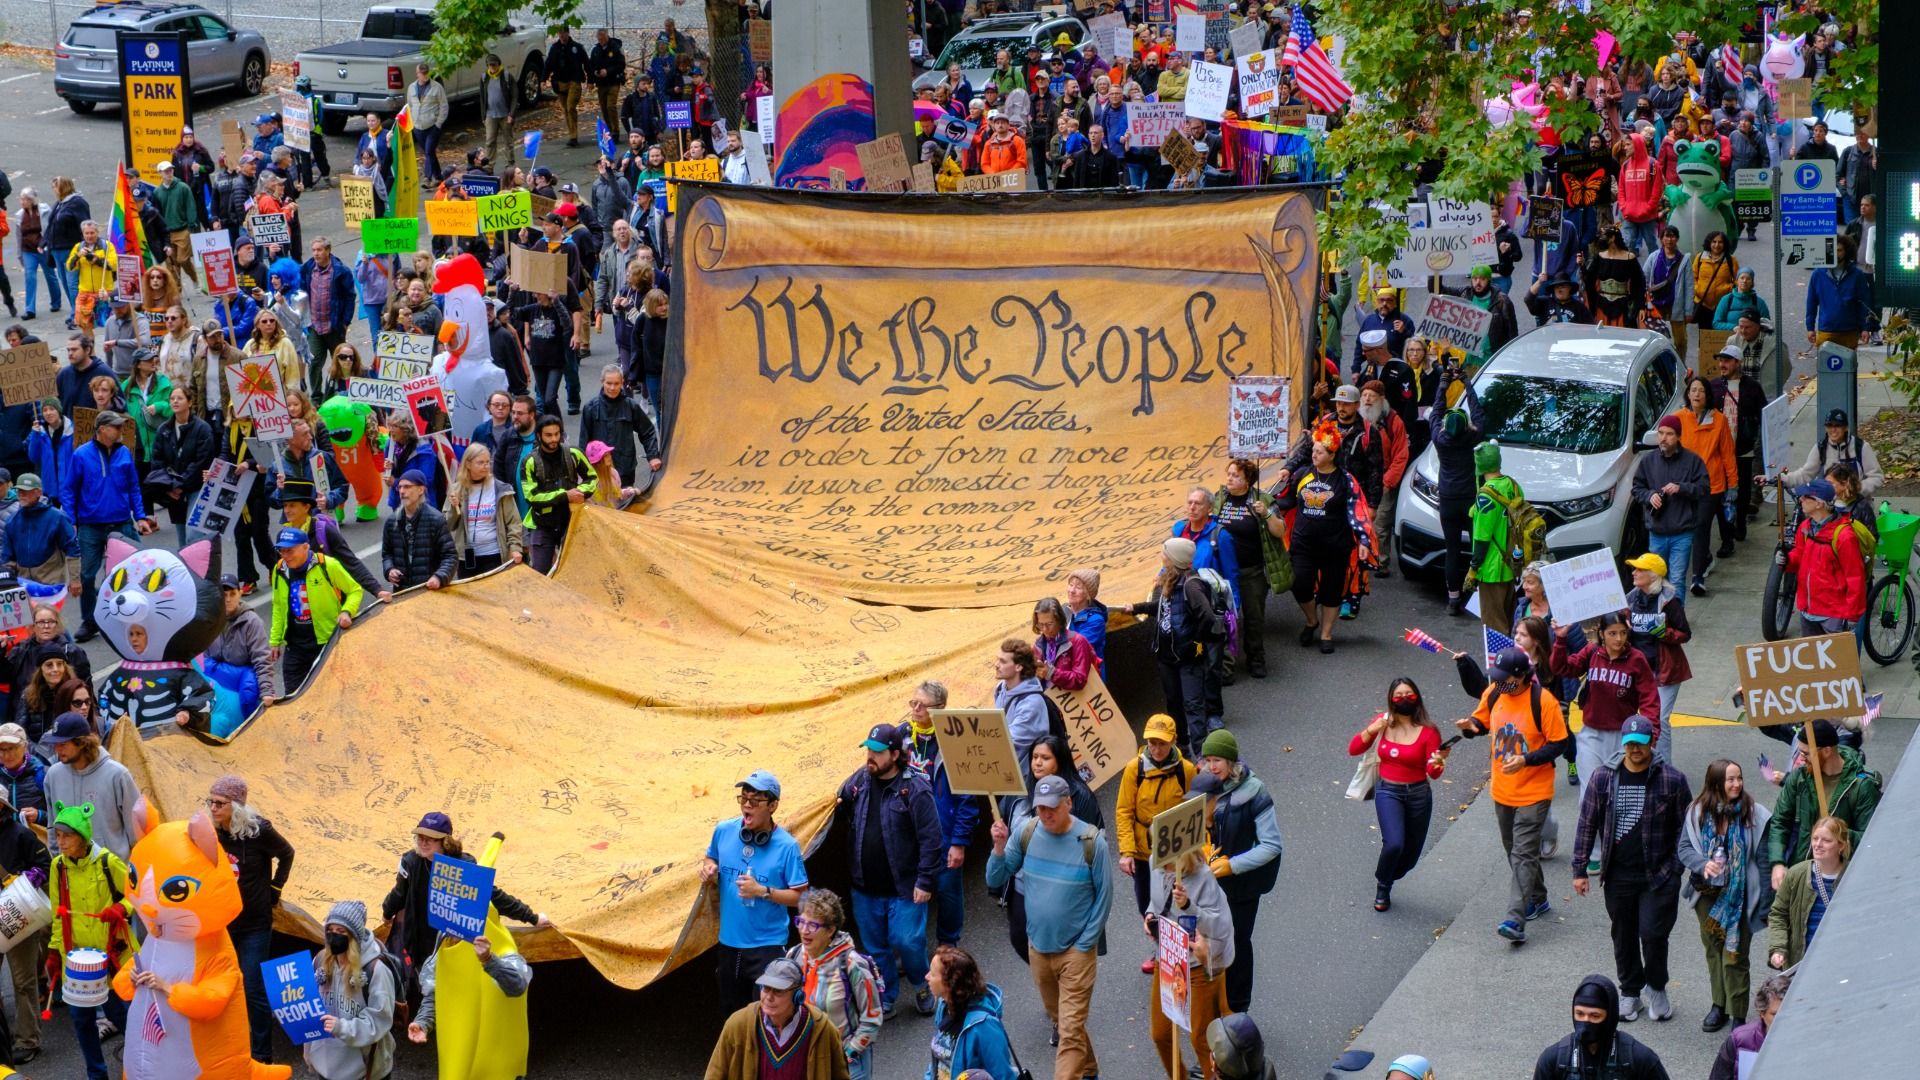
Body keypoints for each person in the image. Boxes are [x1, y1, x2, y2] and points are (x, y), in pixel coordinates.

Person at [986, 773, 1111, 1080]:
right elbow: (994, 878)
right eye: (1040, 807)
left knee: (1068, 1032)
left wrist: (1085, 945)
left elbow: (1105, 898)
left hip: (1076, 953)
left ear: (1068, 802)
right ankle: (1090, 1071)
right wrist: (999, 848)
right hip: (1039, 948)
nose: (1046, 814)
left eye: (1052, 807)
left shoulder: (1091, 842)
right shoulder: (1027, 832)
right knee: (1065, 1020)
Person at [1570, 716, 1692, 1023]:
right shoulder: (1603, 778)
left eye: (1640, 743)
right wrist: (1580, 869)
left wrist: (1677, 867)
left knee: (1653, 934)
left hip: (1659, 875)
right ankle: (1630, 992)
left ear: (1652, 742)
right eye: (1629, 744)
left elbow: (1688, 826)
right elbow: (1588, 822)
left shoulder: (1672, 780)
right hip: (1618, 875)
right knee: (1622, 935)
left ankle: (1657, 988)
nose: (1635, 749)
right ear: (1623, 744)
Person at [1457, 648, 1571, 945]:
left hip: (1534, 791)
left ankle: (1515, 920)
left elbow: (1559, 743)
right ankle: (1539, 897)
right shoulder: (1495, 692)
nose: (1497, 682)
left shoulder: (1543, 702)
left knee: (1522, 853)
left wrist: (1526, 760)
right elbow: (1481, 725)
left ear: (1521, 677)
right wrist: (1469, 729)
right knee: (1515, 851)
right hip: (1502, 790)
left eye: (1504, 678)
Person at [380, 810, 547, 1010]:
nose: (423, 843)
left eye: (430, 839)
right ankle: (430, 1019)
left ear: (445, 841)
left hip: (454, 939)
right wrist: (387, 911)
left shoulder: (464, 865)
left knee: (455, 987)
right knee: (427, 984)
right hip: (421, 937)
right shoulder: (411, 861)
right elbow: (399, 892)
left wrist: (532, 917)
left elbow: (493, 896)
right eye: (420, 837)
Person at [838, 721, 942, 1018]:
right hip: (865, 888)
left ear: (895, 754)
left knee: (907, 942)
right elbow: (842, 800)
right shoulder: (860, 780)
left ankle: (924, 985)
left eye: (877, 752)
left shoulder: (915, 790)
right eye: (868, 750)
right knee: (874, 948)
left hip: (905, 888)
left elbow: (931, 839)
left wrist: (925, 881)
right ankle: (886, 994)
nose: (870, 757)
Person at [1187, 730, 1281, 1015]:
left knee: (1237, 942)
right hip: (1209, 884)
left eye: (1219, 760)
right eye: (1208, 760)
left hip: (1242, 887)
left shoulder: (1255, 792)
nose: (1212, 767)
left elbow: (1272, 845)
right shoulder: (1201, 787)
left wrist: (1233, 865)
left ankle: (1238, 1009)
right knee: (1209, 941)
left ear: (1232, 762)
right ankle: (1214, 1004)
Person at [204, 775, 296, 1064]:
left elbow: (287, 853)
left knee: (253, 988)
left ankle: (261, 1055)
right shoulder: (215, 832)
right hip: (224, 922)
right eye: (211, 802)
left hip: (255, 924)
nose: (213, 808)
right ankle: (227, 1045)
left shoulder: (260, 831)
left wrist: (275, 889)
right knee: (224, 985)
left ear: (237, 807)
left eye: (220, 803)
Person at [1677, 758, 1771, 1034]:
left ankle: (1738, 1016)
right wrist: (1701, 864)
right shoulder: (1696, 813)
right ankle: (1718, 1004)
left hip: (1741, 894)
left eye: (1739, 778)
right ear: (1716, 783)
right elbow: (1684, 848)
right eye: (1730, 779)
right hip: (1707, 895)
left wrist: (1766, 901)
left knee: (1735, 955)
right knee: (1714, 950)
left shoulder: (1755, 814)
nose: (1736, 784)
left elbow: (1764, 860)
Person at [702, 770, 810, 1009]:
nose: (747, 805)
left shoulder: (787, 846)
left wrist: (762, 891)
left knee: (768, 1013)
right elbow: (710, 858)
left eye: (755, 800)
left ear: (772, 805)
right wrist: (709, 868)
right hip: (729, 943)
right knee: (733, 1014)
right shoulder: (723, 831)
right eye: (744, 798)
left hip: (767, 945)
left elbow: (802, 898)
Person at [47, 800, 134, 1080]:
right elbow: (58, 914)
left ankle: (139, 1068)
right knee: (81, 1020)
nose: (59, 842)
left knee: (122, 1016)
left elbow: (138, 896)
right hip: (77, 962)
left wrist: (121, 908)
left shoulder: (109, 862)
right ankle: (96, 1074)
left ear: (82, 837)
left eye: (66, 836)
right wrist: (54, 951)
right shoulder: (58, 867)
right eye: (57, 835)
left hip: (111, 958)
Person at [1350, 679, 1449, 912]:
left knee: (1410, 856)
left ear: (1417, 698)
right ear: (1391, 700)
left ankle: (1391, 874)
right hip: (1389, 791)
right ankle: (1383, 885)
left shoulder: (1429, 731)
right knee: (1394, 843)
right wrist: (1372, 729)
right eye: (1399, 695)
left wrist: (1440, 758)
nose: (1404, 698)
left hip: (1418, 794)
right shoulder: (1382, 724)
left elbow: (1433, 773)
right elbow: (1354, 749)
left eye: (1409, 694)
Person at [1275, 420, 1372, 655]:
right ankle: (1311, 620)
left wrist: (1364, 541)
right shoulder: (1302, 474)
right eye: (1313, 450)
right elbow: (1286, 501)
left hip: (1335, 547)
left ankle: (1326, 633)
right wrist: (1268, 506)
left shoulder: (1346, 480)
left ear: (1331, 454)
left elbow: (1357, 512)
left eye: (1319, 451)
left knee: (1332, 591)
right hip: (1303, 543)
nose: (1314, 454)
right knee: (1299, 584)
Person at [61, 410, 155, 642]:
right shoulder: (81, 455)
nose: (121, 430)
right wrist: (71, 520)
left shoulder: (124, 453)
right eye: (116, 426)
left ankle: (133, 614)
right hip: (91, 525)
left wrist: (141, 516)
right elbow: (69, 489)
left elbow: (134, 487)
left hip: (122, 523)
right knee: (87, 574)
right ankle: (90, 621)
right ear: (102, 429)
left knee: (132, 571)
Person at [1147, 830, 1233, 1079]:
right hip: (1168, 958)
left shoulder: (1203, 877)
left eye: (1164, 856)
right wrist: (1150, 916)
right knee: (1161, 1034)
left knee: (1202, 1040)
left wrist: (1187, 906)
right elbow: (1155, 902)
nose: (1158, 861)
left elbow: (1218, 927)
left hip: (1198, 966)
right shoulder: (1156, 864)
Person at [1116, 713, 1196, 972]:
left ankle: (1166, 954)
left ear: (1173, 740)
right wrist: (1127, 852)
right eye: (1152, 742)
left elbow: (1194, 811)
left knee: (1170, 904)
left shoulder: (1186, 771)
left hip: (1173, 854)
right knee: (1147, 905)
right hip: (1142, 853)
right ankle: (1163, 946)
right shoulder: (1134, 769)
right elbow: (1124, 811)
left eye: (1161, 743)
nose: (1156, 748)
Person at [902, 683, 979, 948]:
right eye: (913, 703)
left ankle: (948, 945)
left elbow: (968, 798)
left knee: (948, 893)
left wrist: (959, 841)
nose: (915, 709)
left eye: (922, 705)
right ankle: (911, 947)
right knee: (910, 891)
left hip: (943, 832)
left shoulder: (954, 741)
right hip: (909, 832)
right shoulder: (902, 736)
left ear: (940, 708)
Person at [1128, 538, 1221, 757]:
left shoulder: (1191, 584)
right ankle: (1182, 749)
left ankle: (1201, 756)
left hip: (1187, 657)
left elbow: (1207, 617)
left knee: (1193, 705)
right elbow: (1162, 609)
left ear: (1175, 559)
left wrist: (1196, 642)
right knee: (1174, 703)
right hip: (1167, 656)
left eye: (1165, 553)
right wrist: (1136, 608)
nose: (1162, 556)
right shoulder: (1168, 580)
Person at [1551, 615, 1659, 798]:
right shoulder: (1592, 652)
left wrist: (1651, 734)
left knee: (1617, 793)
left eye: (1623, 633)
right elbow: (1561, 668)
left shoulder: (1636, 659)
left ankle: (1611, 827)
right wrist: (1560, 639)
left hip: (1623, 737)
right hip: (1591, 735)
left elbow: (1650, 700)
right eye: (1612, 633)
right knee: (1590, 792)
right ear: (1602, 634)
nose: (1619, 638)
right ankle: (1589, 826)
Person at [1763, 720, 1880, 885]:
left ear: (1826, 751)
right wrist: (1777, 862)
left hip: (1840, 879)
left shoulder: (1861, 786)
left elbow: (1870, 839)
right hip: (1803, 874)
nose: (1801, 759)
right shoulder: (1799, 778)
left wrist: (1838, 833)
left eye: (1805, 754)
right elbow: (1780, 821)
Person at [785, 889, 884, 1080]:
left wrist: (847, 1053)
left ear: (830, 930)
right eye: (801, 922)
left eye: (813, 925)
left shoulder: (852, 964)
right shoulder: (794, 956)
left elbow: (872, 1018)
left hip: (847, 1064)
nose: (804, 930)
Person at [703, 956, 850, 1080]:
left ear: (798, 996)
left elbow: (841, 1075)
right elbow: (715, 1074)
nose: (768, 997)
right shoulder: (737, 1024)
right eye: (765, 988)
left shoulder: (822, 1030)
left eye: (778, 991)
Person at [304, 899, 397, 1080]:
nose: (333, 936)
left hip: (363, 1071)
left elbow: (379, 1021)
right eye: (329, 930)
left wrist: (341, 1027)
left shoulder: (375, 970)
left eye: (341, 932)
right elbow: (306, 1004)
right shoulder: (320, 961)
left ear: (354, 937)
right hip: (325, 1067)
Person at [268, 525, 364, 693]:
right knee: (293, 695)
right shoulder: (280, 570)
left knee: (331, 692)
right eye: (281, 551)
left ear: (305, 547)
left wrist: (347, 611)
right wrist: (275, 640)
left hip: (326, 642)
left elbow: (355, 590)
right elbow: (278, 606)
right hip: (295, 646)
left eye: (289, 551)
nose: (285, 556)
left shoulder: (327, 565)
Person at [1213, 459, 1287, 675]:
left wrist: (1266, 514)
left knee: (1254, 618)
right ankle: (1225, 666)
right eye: (1229, 474)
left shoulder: (1262, 500)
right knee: (1224, 618)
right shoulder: (1219, 499)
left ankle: (1256, 659)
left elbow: (1279, 531)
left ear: (1248, 482)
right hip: (1223, 574)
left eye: (1236, 476)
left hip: (1251, 572)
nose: (1230, 478)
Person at [1530, 975, 1672, 1080]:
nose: (1586, 1022)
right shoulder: (1553, 1060)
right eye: (1580, 1014)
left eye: (1595, 1016)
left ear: (1610, 1017)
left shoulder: (1640, 1059)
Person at [1622, 553, 1690, 764]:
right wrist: (1623, 630)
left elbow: (1685, 633)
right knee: (1632, 717)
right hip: (1637, 670)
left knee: (1660, 720)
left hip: (1665, 672)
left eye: (1640, 570)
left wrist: (1665, 633)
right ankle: (1635, 762)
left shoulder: (1669, 600)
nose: (1634, 573)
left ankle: (1663, 766)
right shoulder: (1630, 599)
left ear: (1653, 576)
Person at [1630, 414, 1708, 595]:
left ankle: (1677, 621)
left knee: (1677, 580)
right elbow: (1636, 488)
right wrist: (1649, 496)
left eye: (1669, 434)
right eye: (1661, 433)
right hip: (1656, 532)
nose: (1663, 438)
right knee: (1655, 580)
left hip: (1682, 532)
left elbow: (1704, 489)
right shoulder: (1648, 461)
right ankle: (1657, 619)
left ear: (1679, 436)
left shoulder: (1692, 460)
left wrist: (1681, 488)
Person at [1780, 477, 1869, 637]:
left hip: (1833, 616)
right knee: (1811, 660)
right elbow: (1799, 556)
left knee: (1839, 662)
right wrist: (1787, 560)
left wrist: (1852, 615)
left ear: (1819, 503)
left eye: (1806, 496)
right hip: (1807, 611)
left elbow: (1855, 578)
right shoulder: (1805, 527)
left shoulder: (1844, 537)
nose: (1800, 499)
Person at [1428, 372, 1487, 615]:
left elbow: (1435, 414)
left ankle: (1453, 600)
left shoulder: (1440, 439)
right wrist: (1468, 385)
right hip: (1472, 501)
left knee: (1452, 549)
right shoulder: (1473, 438)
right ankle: (1476, 597)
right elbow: (1480, 415)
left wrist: (1442, 387)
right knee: (1477, 550)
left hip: (1448, 501)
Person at [1673, 377, 1737, 596]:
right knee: (1687, 527)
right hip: (1685, 485)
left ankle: (1697, 576)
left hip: (1712, 485)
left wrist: (1733, 486)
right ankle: (1706, 558)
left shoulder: (1719, 420)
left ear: (1708, 395)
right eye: (1693, 390)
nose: (1697, 394)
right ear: (1688, 394)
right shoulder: (1678, 419)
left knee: (1701, 526)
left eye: (1701, 390)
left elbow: (1728, 454)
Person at [0, 776, 48, 1064]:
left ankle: (28, 1039)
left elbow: (45, 864)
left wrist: (29, 879)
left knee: (23, 981)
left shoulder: (20, 834)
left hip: (20, 914)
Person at [1767, 814, 1850, 972]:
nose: (1818, 845)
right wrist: (1778, 948)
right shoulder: (1796, 874)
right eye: (1815, 838)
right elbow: (1778, 913)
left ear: (1841, 846)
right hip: (1801, 963)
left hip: (1838, 962)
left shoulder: (1853, 875)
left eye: (1826, 840)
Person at [924, 945, 1019, 1080]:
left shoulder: (985, 1026)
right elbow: (938, 1062)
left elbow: (1003, 1075)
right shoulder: (944, 1006)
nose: (926, 976)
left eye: (933, 974)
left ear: (950, 983)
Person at [520, 415, 597, 573]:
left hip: (572, 522)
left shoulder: (574, 453)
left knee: (577, 572)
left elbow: (593, 478)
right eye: (548, 435)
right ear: (539, 436)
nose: (554, 439)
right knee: (540, 573)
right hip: (542, 525)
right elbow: (531, 497)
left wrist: (581, 492)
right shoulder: (530, 462)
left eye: (557, 434)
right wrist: (565, 496)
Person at [444, 443, 526, 578]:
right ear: (468, 464)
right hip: (465, 557)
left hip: (494, 554)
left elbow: (514, 522)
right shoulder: (456, 490)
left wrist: (515, 548)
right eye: (480, 462)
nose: (486, 466)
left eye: (488, 462)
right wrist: (454, 507)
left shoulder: (500, 489)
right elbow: (448, 526)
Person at [577, 365, 661, 490]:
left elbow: (647, 432)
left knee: (626, 503)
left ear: (622, 382)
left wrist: (653, 456)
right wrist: (582, 469)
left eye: (616, 383)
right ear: (602, 382)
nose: (612, 388)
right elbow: (584, 440)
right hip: (599, 470)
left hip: (625, 467)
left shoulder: (630, 406)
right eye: (609, 383)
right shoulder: (590, 408)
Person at [205, 573, 278, 711]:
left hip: (243, 682)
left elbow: (262, 659)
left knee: (249, 692)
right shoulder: (209, 620)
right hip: (216, 681)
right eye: (223, 595)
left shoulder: (252, 622)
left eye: (232, 594)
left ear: (240, 594)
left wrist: (267, 691)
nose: (228, 599)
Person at [0, 476, 80, 596]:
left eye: (26, 491)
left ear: (39, 492)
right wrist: (6, 583)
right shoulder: (12, 521)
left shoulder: (57, 517)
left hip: (51, 583)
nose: (22, 494)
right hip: (23, 585)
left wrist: (75, 580)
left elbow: (72, 549)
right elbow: (8, 557)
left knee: (48, 615)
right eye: (19, 491)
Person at [381, 469, 457, 592]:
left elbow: (450, 556)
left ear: (420, 490)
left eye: (407, 487)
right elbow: (387, 554)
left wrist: (439, 577)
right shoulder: (392, 521)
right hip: (402, 591)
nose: (401, 491)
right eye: (399, 487)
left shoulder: (436, 519)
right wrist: (389, 570)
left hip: (429, 590)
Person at [1782, 407, 1883, 498]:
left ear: (1846, 428)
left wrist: (1855, 489)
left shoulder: (1861, 447)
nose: (1833, 430)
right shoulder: (1821, 448)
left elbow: (1877, 477)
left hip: (1857, 503)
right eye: (1829, 425)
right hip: (1830, 505)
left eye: (1838, 426)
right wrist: (1782, 479)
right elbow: (1805, 474)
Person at [1707, 974, 1791, 1080]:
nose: (1783, 1019)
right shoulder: (1739, 1040)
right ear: (1762, 1013)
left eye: (1788, 1012)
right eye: (1775, 1014)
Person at [1803, 235, 1875, 352]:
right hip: (1826, 330)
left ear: (1846, 252)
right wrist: (1810, 328)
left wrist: (1865, 328)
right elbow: (1811, 302)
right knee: (1825, 368)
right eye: (1832, 250)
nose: (1835, 254)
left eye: (1839, 250)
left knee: (1848, 368)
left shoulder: (1857, 275)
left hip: (1850, 331)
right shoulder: (1818, 274)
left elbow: (1864, 303)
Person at [1031, 597, 1095, 692]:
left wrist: (1051, 673)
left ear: (1059, 621)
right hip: (1048, 701)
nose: (1044, 629)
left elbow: (1079, 680)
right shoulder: (1038, 644)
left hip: (1073, 703)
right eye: (1040, 625)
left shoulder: (1077, 641)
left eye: (1049, 624)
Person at [1063, 568, 1107, 663]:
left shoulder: (1096, 620)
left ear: (1088, 595)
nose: (1072, 590)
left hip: (1087, 674)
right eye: (1070, 585)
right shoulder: (1063, 611)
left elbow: (1075, 647)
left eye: (1078, 587)